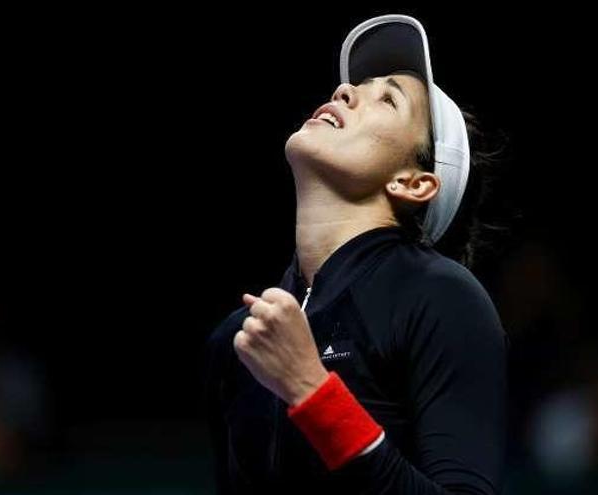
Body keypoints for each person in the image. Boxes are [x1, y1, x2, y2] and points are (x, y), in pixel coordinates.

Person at [204, 14, 506, 494]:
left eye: (387, 98)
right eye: (356, 84)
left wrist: (312, 391)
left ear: (413, 183)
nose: (345, 92)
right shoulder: (235, 340)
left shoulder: (442, 297)